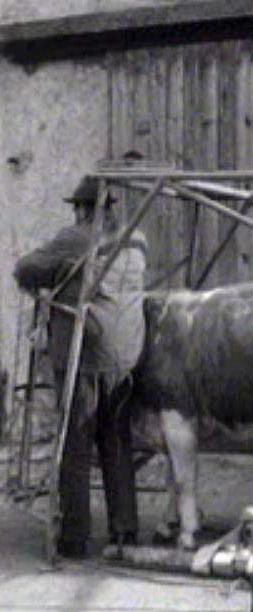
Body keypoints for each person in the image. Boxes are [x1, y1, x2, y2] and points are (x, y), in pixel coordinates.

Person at [13, 176, 147, 558]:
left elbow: (25, 270)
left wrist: (50, 283)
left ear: (86, 209)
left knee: (76, 442)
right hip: (124, 355)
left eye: (77, 208)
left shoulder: (75, 238)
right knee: (117, 440)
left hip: (83, 354)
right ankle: (125, 530)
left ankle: (75, 536)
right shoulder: (137, 242)